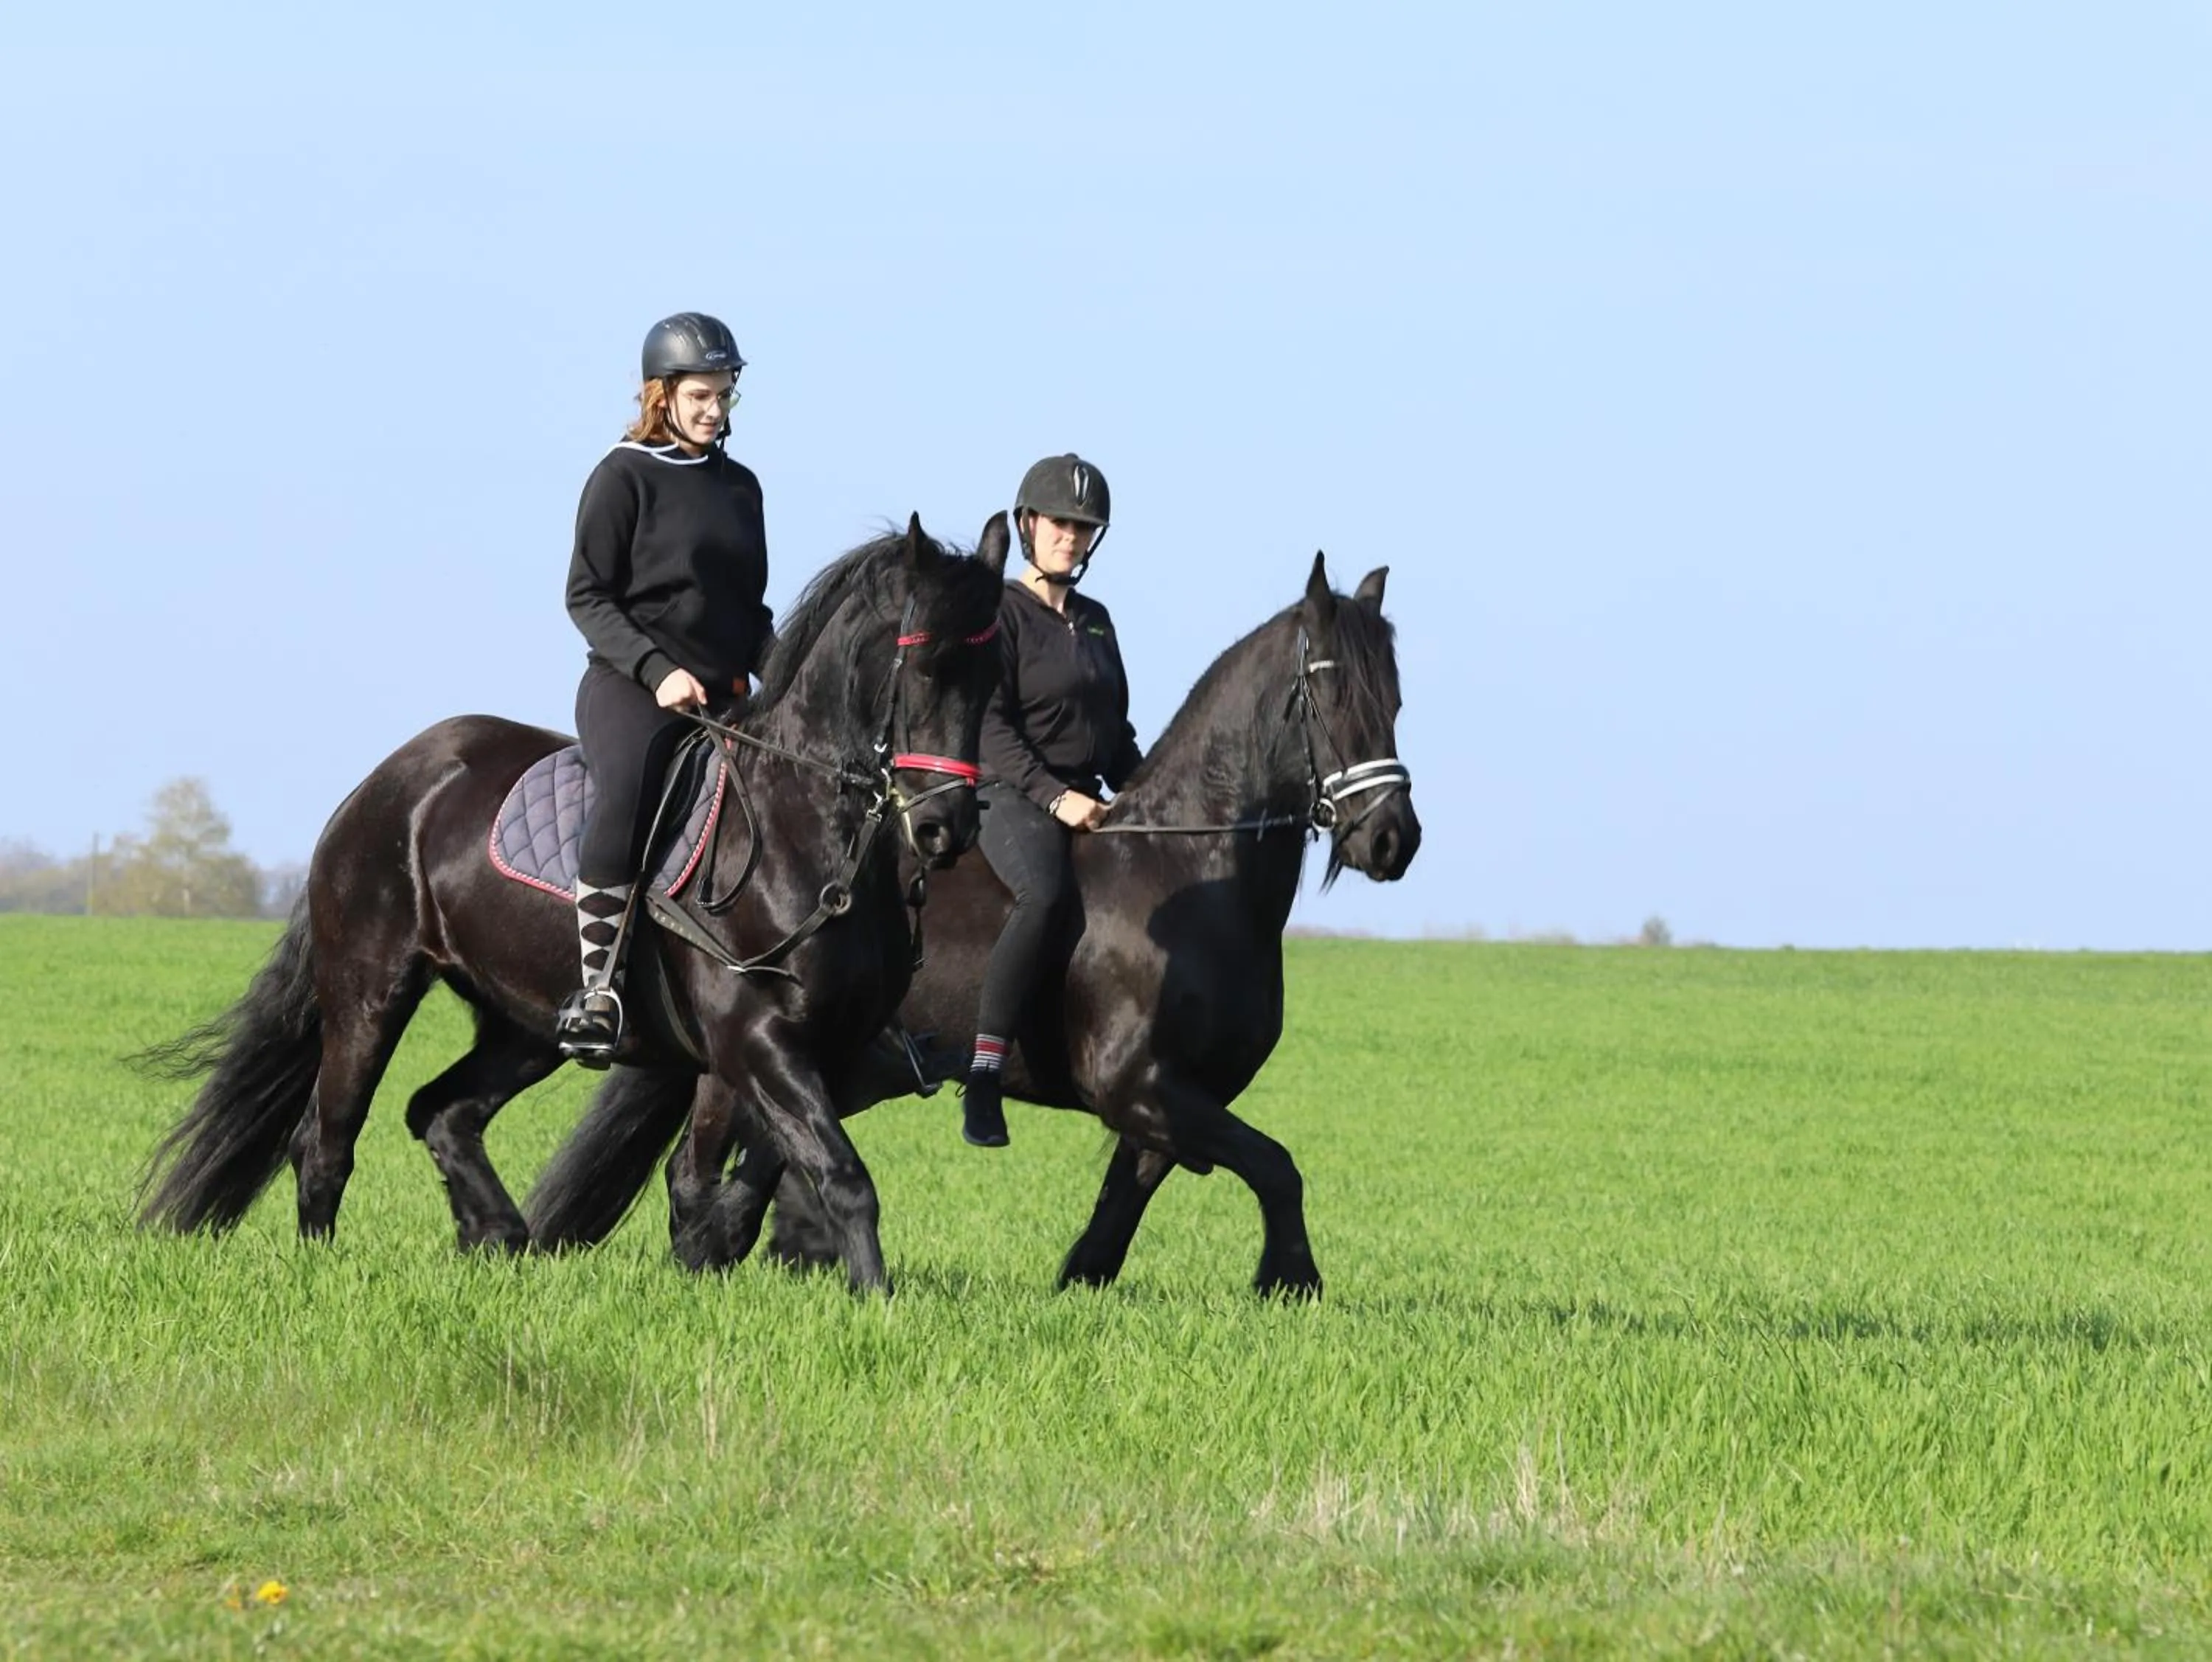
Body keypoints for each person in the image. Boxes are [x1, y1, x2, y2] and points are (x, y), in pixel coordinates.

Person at [555, 313, 773, 1064]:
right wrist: (659, 672)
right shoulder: (621, 476)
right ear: (662, 395)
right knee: (631, 788)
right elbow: (587, 596)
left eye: (724, 395)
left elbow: (751, 609)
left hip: (725, 691)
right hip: (629, 685)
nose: (715, 410)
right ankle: (596, 988)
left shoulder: (742, 487)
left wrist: (788, 671)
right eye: (701, 396)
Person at [960, 453, 1142, 1146]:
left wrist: (1151, 795)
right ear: (1028, 525)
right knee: (1044, 894)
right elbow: (988, 726)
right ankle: (984, 1073)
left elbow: (1113, 731)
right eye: (1060, 524)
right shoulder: (999, 613)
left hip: (1085, 795)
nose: (1071, 536)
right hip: (1008, 793)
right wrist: (1054, 796)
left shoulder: (1097, 621)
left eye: (1084, 527)